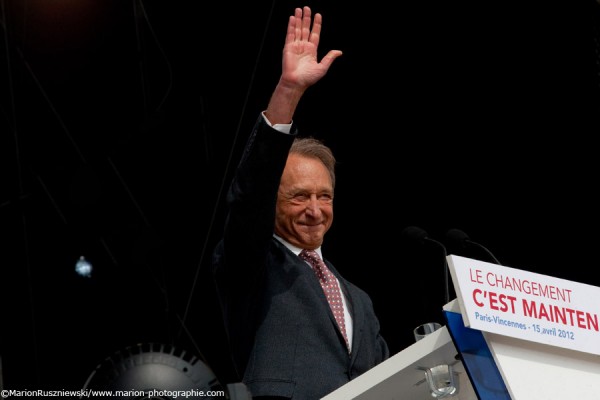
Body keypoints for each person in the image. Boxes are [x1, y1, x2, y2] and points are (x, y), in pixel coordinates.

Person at [212, 6, 389, 399]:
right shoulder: (251, 263)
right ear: (272, 203)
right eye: (298, 196)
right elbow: (249, 196)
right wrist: (289, 91)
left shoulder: (358, 299)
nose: (315, 209)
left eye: (324, 196)